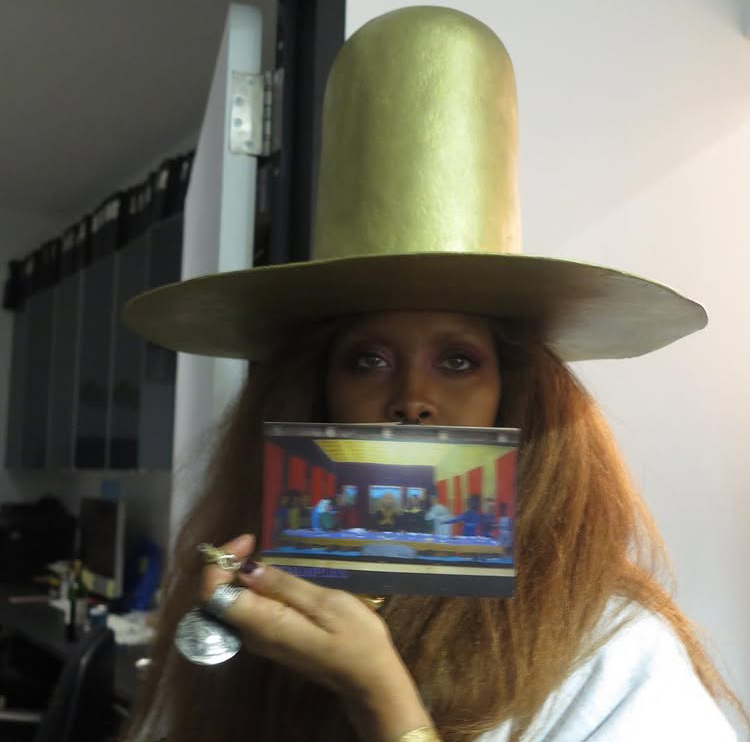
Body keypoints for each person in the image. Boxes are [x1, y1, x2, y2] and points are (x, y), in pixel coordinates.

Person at [121, 7, 744, 742]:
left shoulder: (611, 649)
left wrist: (382, 700)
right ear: (318, 391)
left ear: (513, 392)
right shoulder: (248, 612)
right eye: (369, 360)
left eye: (458, 361)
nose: (412, 399)